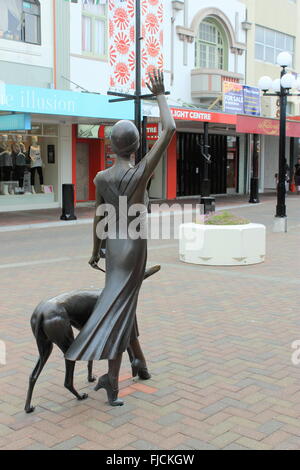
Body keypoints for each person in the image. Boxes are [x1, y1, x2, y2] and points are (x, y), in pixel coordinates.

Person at [65, 70, 176, 406]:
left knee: (118, 308)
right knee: (121, 311)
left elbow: (98, 216)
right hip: (134, 246)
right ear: (137, 146)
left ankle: (127, 368)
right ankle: (111, 379)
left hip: (113, 246)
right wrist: (159, 95)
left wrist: (94, 251)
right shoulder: (139, 173)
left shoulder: (100, 177)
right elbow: (169, 129)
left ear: (110, 145)